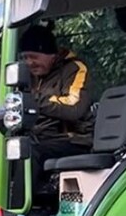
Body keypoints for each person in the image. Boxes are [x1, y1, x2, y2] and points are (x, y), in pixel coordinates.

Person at [18, 25, 95, 188]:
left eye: (33, 57)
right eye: (25, 58)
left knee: (28, 152)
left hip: (71, 140)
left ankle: (20, 207)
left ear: (51, 54)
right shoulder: (30, 76)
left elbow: (75, 107)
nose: (29, 63)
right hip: (39, 138)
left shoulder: (75, 69)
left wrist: (33, 101)